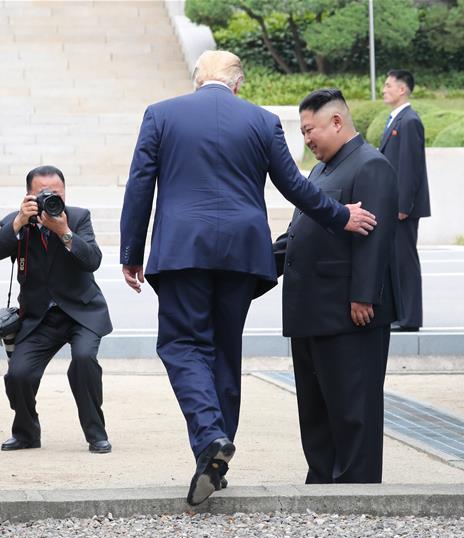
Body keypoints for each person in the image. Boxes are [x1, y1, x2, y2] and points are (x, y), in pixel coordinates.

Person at [119, 50, 378, 506]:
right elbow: (294, 185)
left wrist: (131, 252)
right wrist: (341, 216)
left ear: (198, 80)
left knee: (181, 345)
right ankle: (215, 460)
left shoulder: (161, 115)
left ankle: (209, 438)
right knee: (223, 350)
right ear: (238, 85)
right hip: (242, 253)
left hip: (183, 251)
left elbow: (140, 183)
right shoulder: (261, 121)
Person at [274, 89, 399, 484]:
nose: (307, 139)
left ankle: (356, 486)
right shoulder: (320, 171)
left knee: (352, 408)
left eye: (310, 130)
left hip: (349, 314)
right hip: (311, 311)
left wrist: (364, 295)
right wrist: (251, 268)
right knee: (315, 409)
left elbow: (375, 236)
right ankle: (323, 480)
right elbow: (298, 233)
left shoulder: (370, 165)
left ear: (337, 122)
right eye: (303, 131)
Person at [0, 165, 112, 454]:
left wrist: (64, 232)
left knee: (83, 361)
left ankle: (96, 434)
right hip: (40, 316)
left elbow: (92, 260)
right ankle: (27, 432)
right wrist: (19, 221)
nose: (49, 198)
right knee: (18, 375)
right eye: (41, 193)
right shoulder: (18, 222)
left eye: (56, 193)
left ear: (65, 193)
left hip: (81, 311)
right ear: (28, 195)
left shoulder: (78, 217)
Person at [380, 69, 430, 332]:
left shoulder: (409, 121)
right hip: (395, 205)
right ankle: (401, 314)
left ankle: (410, 318)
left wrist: (402, 206)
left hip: (403, 208)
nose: (384, 89)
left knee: (405, 260)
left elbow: (410, 167)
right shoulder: (395, 120)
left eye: (389, 85)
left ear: (402, 90)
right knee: (396, 260)